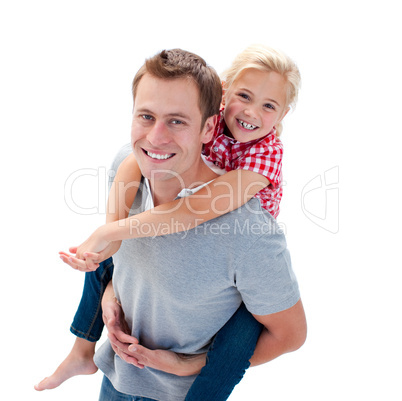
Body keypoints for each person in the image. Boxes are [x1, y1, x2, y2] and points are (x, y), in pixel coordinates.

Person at [36, 47, 306, 400]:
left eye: (269, 106)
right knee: (101, 260)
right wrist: (111, 290)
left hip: (228, 253)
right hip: (119, 377)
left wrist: (187, 363)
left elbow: (196, 209)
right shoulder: (185, 138)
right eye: (146, 117)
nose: (252, 112)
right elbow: (135, 158)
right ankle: (81, 351)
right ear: (224, 97)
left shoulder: (259, 175)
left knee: (231, 350)